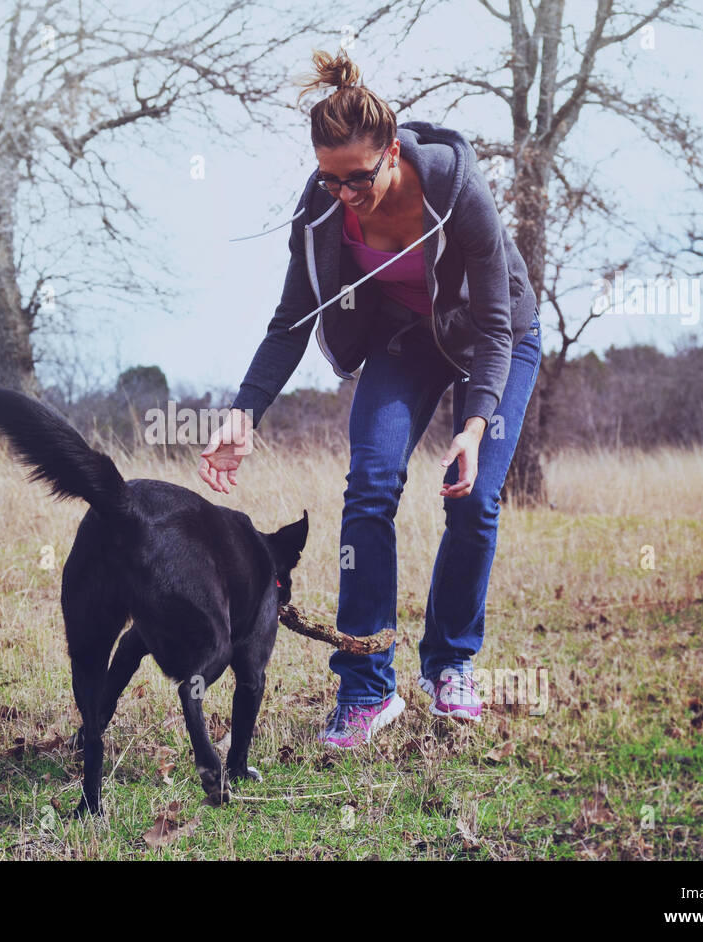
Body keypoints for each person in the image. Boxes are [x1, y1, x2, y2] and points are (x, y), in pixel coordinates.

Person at [198, 48, 542, 747]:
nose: (345, 192)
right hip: (405, 342)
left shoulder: (455, 188)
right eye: (330, 179)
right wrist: (244, 411)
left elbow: (500, 324)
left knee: (473, 497)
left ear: (392, 153)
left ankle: (449, 664)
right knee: (370, 482)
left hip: (491, 340)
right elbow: (289, 320)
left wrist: (474, 426)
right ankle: (365, 686)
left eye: (358, 177)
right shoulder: (322, 209)